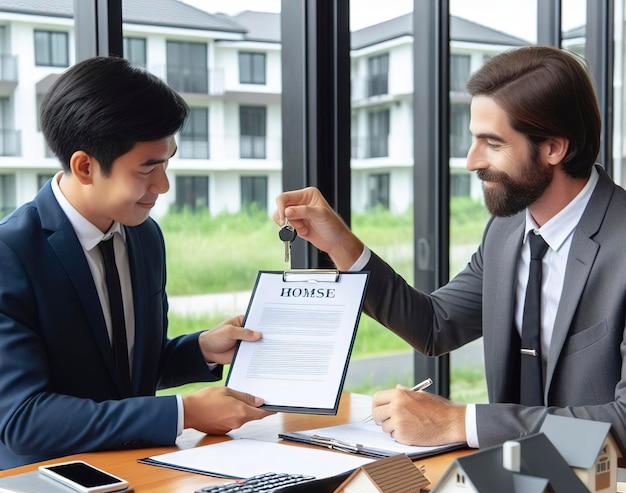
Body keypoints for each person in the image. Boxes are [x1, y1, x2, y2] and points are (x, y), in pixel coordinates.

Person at [274, 45, 626, 451]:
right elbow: (434, 325)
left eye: (492, 143)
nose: (471, 161)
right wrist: (338, 241)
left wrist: (460, 421)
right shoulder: (507, 232)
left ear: (553, 148)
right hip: (513, 488)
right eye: (474, 139)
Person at [0, 56, 271, 469]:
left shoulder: (144, 235)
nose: (163, 185)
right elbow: (24, 419)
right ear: (85, 166)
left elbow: (122, 370)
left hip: (143, 472)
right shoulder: (10, 254)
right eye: (148, 168)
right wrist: (186, 412)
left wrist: (201, 350)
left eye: (167, 162)